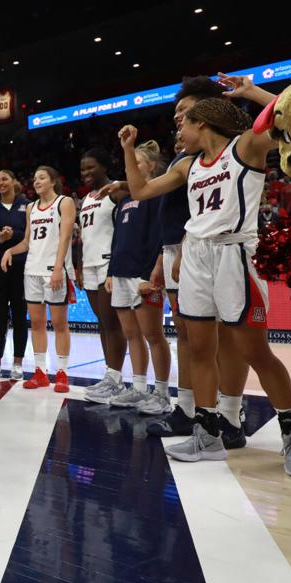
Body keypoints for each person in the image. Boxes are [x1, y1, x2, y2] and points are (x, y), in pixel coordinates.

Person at [118, 82, 291, 478]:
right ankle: (207, 434)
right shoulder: (187, 165)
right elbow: (139, 189)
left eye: (183, 125)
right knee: (199, 350)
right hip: (196, 254)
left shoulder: (246, 147)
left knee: (255, 352)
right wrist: (127, 149)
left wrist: (252, 92)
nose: (178, 132)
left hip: (236, 253)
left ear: (203, 123)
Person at [147, 76, 253, 446]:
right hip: (182, 249)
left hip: (213, 247)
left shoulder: (221, 153)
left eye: (185, 110)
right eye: (176, 112)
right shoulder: (184, 155)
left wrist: (182, 246)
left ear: (208, 113)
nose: (178, 117)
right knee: (189, 336)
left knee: (225, 337)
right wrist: (167, 254)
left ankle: (229, 413)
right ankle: (190, 407)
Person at [104, 141, 173, 414]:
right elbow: (118, 238)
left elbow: (160, 238)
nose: (132, 168)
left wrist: (150, 276)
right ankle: (140, 389)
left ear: (152, 166)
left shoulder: (156, 194)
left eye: (138, 163)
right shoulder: (125, 198)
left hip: (143, 275)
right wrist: (111, 272)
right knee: (132, 335)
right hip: (120, 273)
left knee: (153, 335)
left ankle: (163, 394)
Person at [1, 165, 75, 392]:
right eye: (34, 178)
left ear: (53, 181)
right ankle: (41, 371)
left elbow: (65, 238)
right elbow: (27, 242)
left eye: (42, 178)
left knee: (60, 324)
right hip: (31, 270)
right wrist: (9, 251)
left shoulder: (65, 202)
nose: (37, 181)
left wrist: (58, 269)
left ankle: (62, 373)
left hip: (54, 270)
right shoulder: (31, 207)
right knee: (36, 323)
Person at [76, 150, 129, 402]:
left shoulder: (116, 191)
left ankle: (116, 379)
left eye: (90, 168)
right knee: (101, 323)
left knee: (112, 323)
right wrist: (78, 265)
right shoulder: (85, 199)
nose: (86, 173)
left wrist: (115, 264)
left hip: (108, 263)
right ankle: (110, 377)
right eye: (83, 169)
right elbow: (84, 237)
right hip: (89, 264)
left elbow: (124, 228)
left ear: (103, 166)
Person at [0, 169, 29, 380]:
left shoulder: (27, 205)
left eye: (4, 179)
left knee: (20, 315)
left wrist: (14, 235)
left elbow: (30, 236)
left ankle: (18, 363)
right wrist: (0, 240)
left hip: (21, 266)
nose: (0, 183)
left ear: (13, 181)